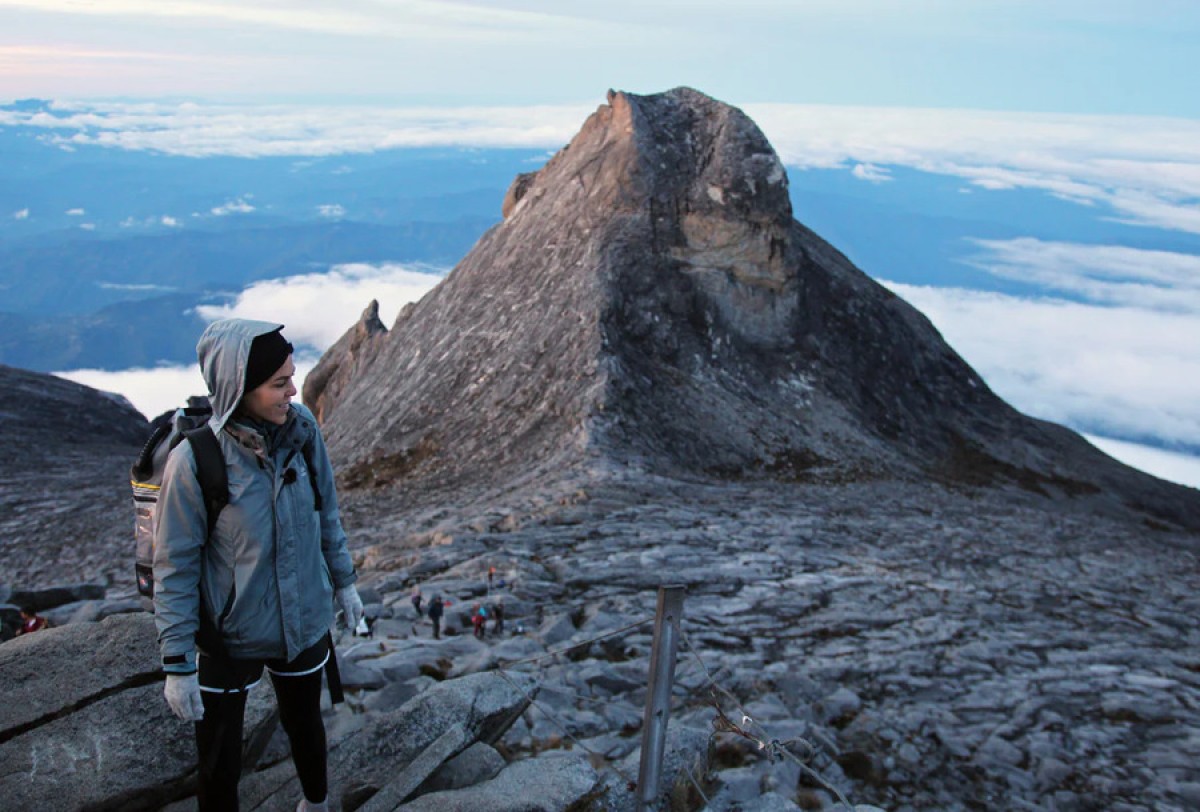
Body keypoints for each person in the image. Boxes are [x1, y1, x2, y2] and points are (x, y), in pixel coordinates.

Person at [153, 319, 362, 812]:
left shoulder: (302, 431)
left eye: (293, 375)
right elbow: (175, 567)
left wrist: (346, 586)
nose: (295, 389)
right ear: (239, 389)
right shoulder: (196, 463)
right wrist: (178, 664)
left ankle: (316, 804)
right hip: (230, 635)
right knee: (220, 758)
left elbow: (326, 513)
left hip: (303, 621)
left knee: (306, 726)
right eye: (279, 382)